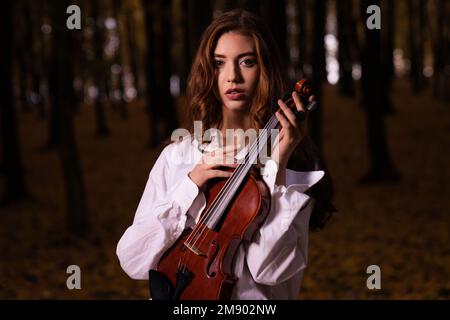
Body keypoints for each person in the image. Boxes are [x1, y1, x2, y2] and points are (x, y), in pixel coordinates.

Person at [116, 9, 335, 300]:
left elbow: (269, 271)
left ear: (265, 69)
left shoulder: (292, 163)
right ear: (209, 71)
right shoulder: (178, 156)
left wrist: (277, 167)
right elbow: (133, 260)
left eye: (247, 62)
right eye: (219, 64)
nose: (232, 76)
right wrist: (189, 184)